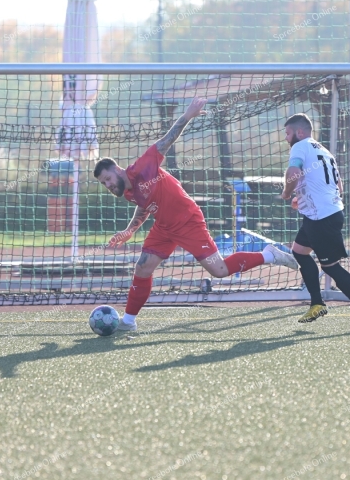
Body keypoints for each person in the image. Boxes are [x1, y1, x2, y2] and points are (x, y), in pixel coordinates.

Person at [94, 97, 298, 332]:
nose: (108, 185)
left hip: (188, 222)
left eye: (108, 179)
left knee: (219, 271)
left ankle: (269, 254)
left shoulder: (143, 168)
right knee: (142, 268)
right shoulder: (128, 191)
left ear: (118, 170)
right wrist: (130, 230)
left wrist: (187, 116)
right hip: (164, 228)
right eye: (103, 183)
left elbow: (166, 141)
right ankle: (128, 322)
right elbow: (144, 205)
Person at [280, 113, 350, 329]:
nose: (286, 138)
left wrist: (287, 193)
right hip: (320, 214)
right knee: (299, 252)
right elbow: (339, 186)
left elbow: (293, 172)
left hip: (321, 218)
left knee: (330, 266)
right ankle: (317, 303)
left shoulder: (300, 146)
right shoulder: (323, 150)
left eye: (287, 133)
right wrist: (304, 198)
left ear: (300, 132)